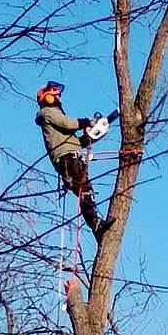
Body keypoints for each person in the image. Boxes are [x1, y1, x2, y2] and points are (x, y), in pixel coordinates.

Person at [35, 80, 115, 242]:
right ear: (47, 97)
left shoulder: (56, 120)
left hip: (72, 157)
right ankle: (96, 225)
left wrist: (91, 135)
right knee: (84, 192)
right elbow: (69, 123)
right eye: (54, 94)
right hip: (66, 159)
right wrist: (86, 121)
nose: (57, 97)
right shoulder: (47, 112)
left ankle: (97, 226)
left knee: (86, 192)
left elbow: (77, 143)